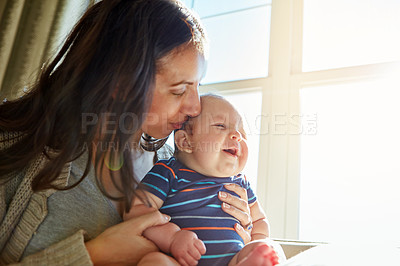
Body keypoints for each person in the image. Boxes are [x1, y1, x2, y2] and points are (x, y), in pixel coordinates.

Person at [0, 1, 256, 264]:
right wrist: (93, 255)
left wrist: (238, 240)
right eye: (179, 90)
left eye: (197, 86)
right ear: (120, 82)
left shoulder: (181, 161)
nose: (195, 106)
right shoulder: (9, 150)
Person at [125, 94, 286, 266]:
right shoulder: (168, 171)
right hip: (180, 261)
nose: (237, 136)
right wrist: (172, 237)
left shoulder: (241, 183)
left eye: (242, 133)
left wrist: (255, 244)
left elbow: (260, 220)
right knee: (154, 261)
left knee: (269, 247)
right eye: (220, 126)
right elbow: (136, 210)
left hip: (233, 261)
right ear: (186, 142)